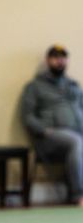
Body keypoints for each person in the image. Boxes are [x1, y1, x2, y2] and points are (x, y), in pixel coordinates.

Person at [21, 44, 83, 205]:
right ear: (48, 60)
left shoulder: (74, 86)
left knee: (77, 141)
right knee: (76, 142)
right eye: (55, 57)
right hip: (50, 137)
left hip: (77, 132)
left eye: (63, 58)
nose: (59, 61)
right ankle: (78, 195)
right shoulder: (34, 86)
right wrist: (44, 131)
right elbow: (27, 116)